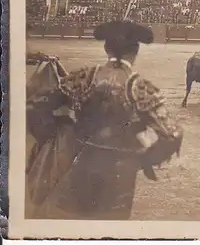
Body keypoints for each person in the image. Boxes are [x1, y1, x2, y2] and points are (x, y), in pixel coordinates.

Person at [25, 20, 183, 220]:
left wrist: (60, 132)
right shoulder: (140, 87)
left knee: (71, 222)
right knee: (109, 228)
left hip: (80, 164)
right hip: (120, 173)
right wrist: (145, 158)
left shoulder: (83, 77)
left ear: (106, 47)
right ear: (135, 52)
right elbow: (172, 133)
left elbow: (35, 106)